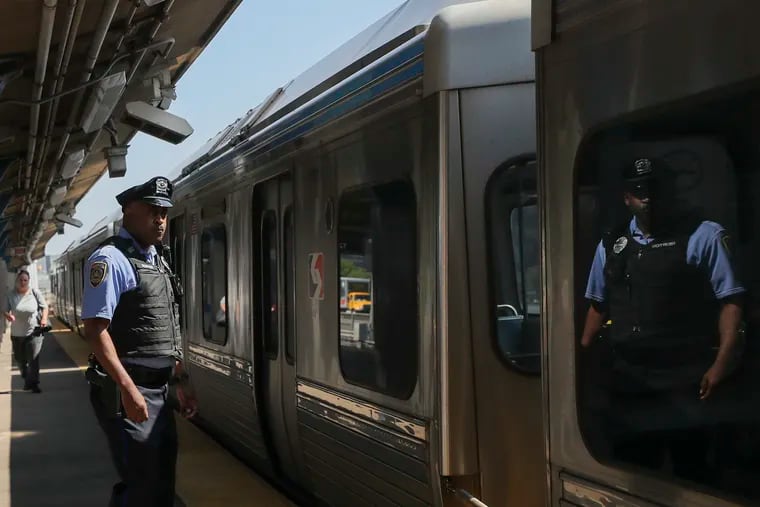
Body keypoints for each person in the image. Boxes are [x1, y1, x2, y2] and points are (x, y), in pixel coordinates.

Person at [580, 157, 745, 482]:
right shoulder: (612, 245)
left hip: (687, 381)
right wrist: (583, 368)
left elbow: (731, 302)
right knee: (633, 475)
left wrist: (721, 364)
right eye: (639, 190)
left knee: (694, 476)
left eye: (655, 188)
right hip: (631, 384)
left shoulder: (704, 235)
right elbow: (598, 308)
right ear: (627, 197)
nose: (648, 196)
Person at [81, 176, 197, 507]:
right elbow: (95, 330)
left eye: (163, 211)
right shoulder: (111, 259)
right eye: (152, 210)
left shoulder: (156, 260)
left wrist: (181, 380)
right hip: (128, 391)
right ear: (128, 210)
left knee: (161, 485)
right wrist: (128, 389)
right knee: (142, 488)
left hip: (158, 390)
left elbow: (165, 327)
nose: (160, 219)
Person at [5, 269, 48, 393]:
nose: (23, 282)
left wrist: (44, 319)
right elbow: (4, 310)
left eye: (25, 280)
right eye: (21, 280)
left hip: (33, 331)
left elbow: (44, 307)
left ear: (28, 281)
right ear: (17, 281)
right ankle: (26, 378)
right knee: (20, 360)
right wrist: (8, 315)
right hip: (17, 333)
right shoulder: (11, 294)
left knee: (33, 359)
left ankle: (34, 384)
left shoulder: (34, 292)